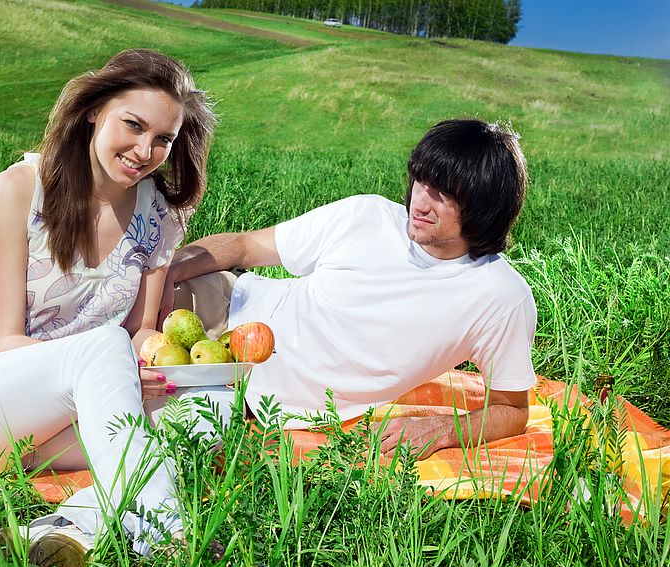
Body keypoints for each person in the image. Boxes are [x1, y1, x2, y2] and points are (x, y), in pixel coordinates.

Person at [0, 48, 216, 567]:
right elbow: (5, 339)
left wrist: (152, 364)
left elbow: (140, 330)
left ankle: (59, 531)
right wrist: (116, 365)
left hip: (67, 422)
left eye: (163, 139)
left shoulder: (160, 217)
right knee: (105, 349)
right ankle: (173, 540)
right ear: (95, 110)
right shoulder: (22, 188)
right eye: (133, 124)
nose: (145, 149)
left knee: (204, 413)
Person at [162, 118, 536, 461]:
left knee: (171, 444)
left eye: (442, 194)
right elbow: (244, 246)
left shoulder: (500, 298)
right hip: (230, 303)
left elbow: (514, 410)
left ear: (483, 207)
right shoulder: (367, 216)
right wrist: (162, 276)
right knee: (114, 309)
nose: (419, 203)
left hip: (244, 391)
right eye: (421, 182)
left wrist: (440, 430)